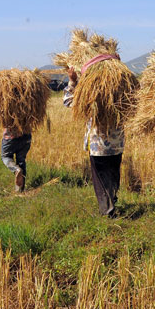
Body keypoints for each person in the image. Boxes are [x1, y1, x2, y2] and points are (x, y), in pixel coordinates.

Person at [64, 65, 124, 218]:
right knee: (113, 175)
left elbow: (69, 101)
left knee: (101, 180)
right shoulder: (120, 90)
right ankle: (112, 200)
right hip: (117, 144)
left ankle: (108, 211)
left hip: (98, 146)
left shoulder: (90, 96)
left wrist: (72, 81)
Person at [1, 127, 31, 192]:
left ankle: (16, 169)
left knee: (5, 156)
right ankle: (20, 190)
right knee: (21, 161)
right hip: (26, 137)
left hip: (11, 137)